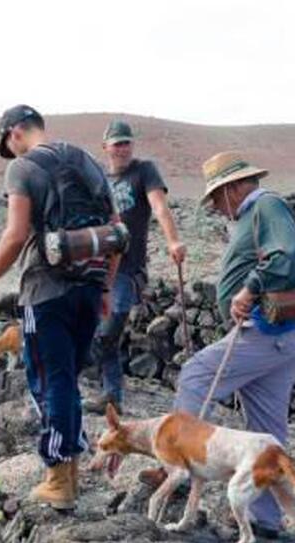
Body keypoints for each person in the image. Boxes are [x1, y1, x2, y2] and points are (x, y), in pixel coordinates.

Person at [0, 105, 118, 510]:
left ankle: (58, 478)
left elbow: (16, 234)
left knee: (48, 382)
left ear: (15, 132)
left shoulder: (22, 169)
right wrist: (103, 286)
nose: (11, 152)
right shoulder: (87, 160)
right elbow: (115, 230)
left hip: (46, 291)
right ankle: (68, 471)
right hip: (89, 288)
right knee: (67, 379)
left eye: (8, 143)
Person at [162, 151, 295, 537]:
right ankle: (264, 518)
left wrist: (250, 287)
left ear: (231, 188)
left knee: (196, 374)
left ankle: (179, 471)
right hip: (282, 335)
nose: (215, 207)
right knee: (266, 423)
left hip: (266, 332)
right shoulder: (256, 212)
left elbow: (287, 254)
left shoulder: (266, 206)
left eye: (215, 198)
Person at [84, 120, 186, 416]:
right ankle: (111, 395)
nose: (123, 148)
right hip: (96, 265)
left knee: (111, 327)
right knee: (97, 332)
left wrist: (173, 241)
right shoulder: (99, 178)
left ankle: (106, 389)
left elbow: (159, 207)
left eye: (127, 142)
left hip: (127, 268)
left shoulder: (144, 170)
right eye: (117, 143)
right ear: (106, 147)